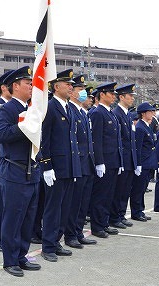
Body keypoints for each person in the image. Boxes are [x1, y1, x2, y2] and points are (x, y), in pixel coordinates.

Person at [0, 66, 41, 277]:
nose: (31, 86)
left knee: (28, 218)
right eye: (27, 83)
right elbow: (1, 135)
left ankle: (22, 255)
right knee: (13, 218)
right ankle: (10, 260)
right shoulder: (6, 109)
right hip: (14, 170)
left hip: (32, 171)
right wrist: (23, 126)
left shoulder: (32, 109)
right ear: (15, 86)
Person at [39, 69, 78, 262]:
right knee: (53, 208)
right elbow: (43, 139)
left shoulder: (69, 107)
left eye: (71, 84)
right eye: (67, 84)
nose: (71, 87)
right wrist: (46, 165)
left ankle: (57, 241)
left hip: (68, 166)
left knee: (65, 207)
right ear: (56, 87)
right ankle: (48, 246)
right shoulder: (50, 107)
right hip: (54, 167)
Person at [65, 75, 97, 246]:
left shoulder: (82, 112)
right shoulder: (70, 110)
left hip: (87, 163)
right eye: (80, 90)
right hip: (77, 163)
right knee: (74, 202)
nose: (83, 93)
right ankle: (70, 235)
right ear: (72, 93)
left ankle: (78, 232)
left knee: (83, 202)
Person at [89, 82, 122, 238]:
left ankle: (104, 222)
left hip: (113, 160)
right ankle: (97, 226)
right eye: (111, 93)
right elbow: (96, 140)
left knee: (109, 194)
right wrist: (99, 161)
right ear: (102, 94)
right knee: (100, 195)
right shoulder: (97, 113)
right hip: (104, 161)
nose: (114, 96)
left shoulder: (110, 113)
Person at [110, 84, 138, 229]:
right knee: (119, 190)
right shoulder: (117, 113)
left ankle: (120, 214)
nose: (132, 98)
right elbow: (119, 139)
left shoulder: (127, 114)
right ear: (121, 97)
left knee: (125, 190)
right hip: (122, 158)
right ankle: (115, 217)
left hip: (129, 159)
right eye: (130, 96)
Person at [0, 70, 14, 251]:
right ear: (4, 88)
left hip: (11, 163)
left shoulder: (18, 107)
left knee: (9, 205)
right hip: (2, 163)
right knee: (0, 203)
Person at [130, 102, 157, 221]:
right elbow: (138, 148)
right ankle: (136, 212)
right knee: (138, 189)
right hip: (143, 162)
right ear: (143, 114)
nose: (152, 113)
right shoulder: (140, 127)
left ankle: (140, 210)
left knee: (142, 188)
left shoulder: (146, 126)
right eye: (150, 111)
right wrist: (138, 164)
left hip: (148, 162)